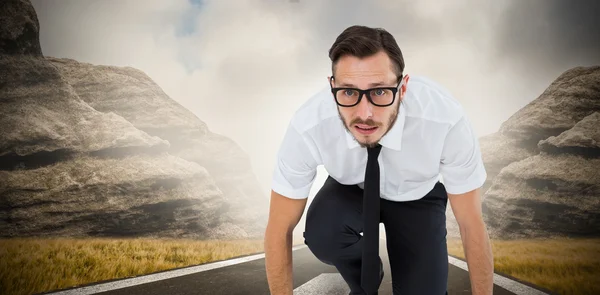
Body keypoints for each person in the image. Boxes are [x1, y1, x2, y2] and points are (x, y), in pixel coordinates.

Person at [264, 25, 494, 295]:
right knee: (324, 233)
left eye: (380, 92)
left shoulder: (445, 120)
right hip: (353, 190)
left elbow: (471, 224)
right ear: (332, 86)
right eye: (349, 92)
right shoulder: (309, 125)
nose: (365, 113)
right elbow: (279, 228)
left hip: (417, 195)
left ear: (403, 87)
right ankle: (366, 276)